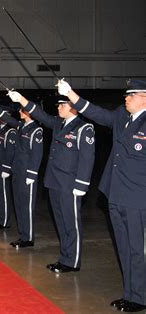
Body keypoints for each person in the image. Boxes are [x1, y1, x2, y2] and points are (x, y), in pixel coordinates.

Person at [57, 79, 146, 312]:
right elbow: (96, 113)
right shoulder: (122, 116)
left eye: (131, 95)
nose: (125, 98)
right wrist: (71, 94)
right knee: (124, 247)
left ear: (144, 97)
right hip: (116, 193)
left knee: (138, 249)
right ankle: (131, 293)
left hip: (138, 196)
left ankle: (140, 296)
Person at [8, 90, 95, 273]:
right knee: (61, 222)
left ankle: (72, 261)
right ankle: (65, 258)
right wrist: (22, 99)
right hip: (54, 181)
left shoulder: (83, 128)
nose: (59, 108)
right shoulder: (58, 124)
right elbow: (41, 115)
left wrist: (82, 184)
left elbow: (87, 158)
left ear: (73, 108)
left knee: (71, 223)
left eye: (62, 105)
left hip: (70, 184)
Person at [0, 100, 43, 248]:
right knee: (19, 205)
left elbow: (36, 154)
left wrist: (31, 175)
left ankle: (29, 237)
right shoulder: (21, 127)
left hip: (27, 174)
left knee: (27, 207)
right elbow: (3, 118)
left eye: (22, 110)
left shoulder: (35, 130)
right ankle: (23, 235)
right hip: (17, 172)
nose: (19, 112)